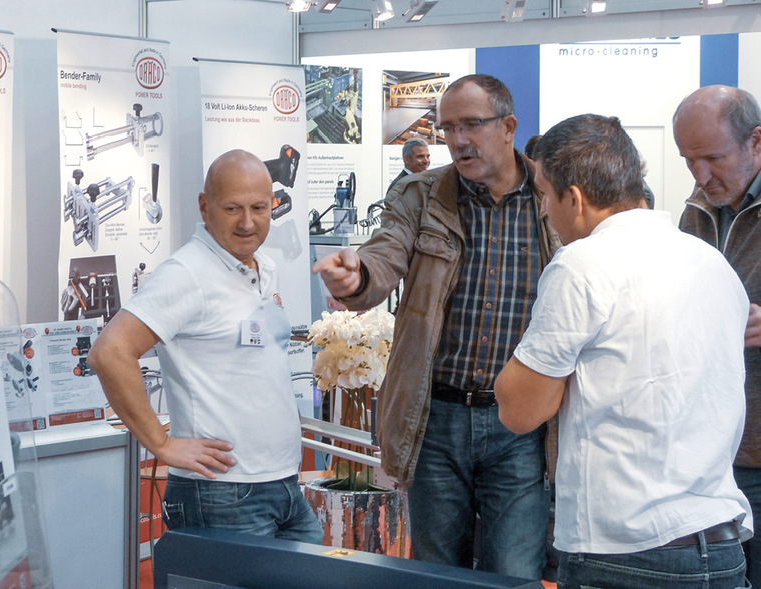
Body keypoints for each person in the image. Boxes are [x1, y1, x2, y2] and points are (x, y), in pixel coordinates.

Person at [313, 74, 559, 579]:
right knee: (434, 572)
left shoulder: (549, 199)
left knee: (513, 570)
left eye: (471, 124)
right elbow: (385, 254)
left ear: (508, 126)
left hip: (520, 422)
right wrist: (356, 274)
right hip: (437, 418)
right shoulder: (423, 195)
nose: (457, 140)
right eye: (448, 128)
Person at [495, 113, 752, 589]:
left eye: (546, 196)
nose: (545, 211)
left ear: (573, 198)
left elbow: (519, 410)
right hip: (720, 543)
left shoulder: (582, 264)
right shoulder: (712, 263)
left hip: (624, 550)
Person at [88, 149, 322, 544]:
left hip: (281, 485)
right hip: (222, 494)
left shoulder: (262, 266)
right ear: (205, 206)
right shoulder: (188, 273)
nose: (248, 222)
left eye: (259, 208)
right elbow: (109, 353)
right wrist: (161, 444)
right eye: (232, 208)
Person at [673, 84, 761, 586]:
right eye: (688, 160)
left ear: (756, 142)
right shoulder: (698, 208)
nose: (700, 176)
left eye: (712, 158)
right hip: (712, 450)